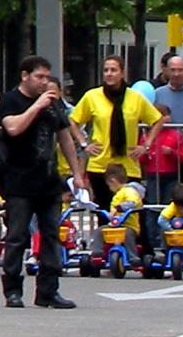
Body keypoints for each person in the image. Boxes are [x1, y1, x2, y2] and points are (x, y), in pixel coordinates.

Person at [0, 55, 85, 310]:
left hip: (48, 180)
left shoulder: (52, 102)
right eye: (39, 77)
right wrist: (36, 106)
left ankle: (48, 290)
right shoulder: (11, 100)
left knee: (51, 235)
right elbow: (13, 127)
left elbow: (64, 136)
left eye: (47, 77)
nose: (44, 82)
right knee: (17, 236)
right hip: (18, 180)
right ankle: (12, 290)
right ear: (25, 76)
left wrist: (76, 173)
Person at [68, 55, 165, 256]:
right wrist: (84, 143)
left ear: (123, 73)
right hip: (101, 164)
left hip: (127, 165)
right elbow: (73, 120)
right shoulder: (92, 96)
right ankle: (106, 253)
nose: (109, 74)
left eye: (114, 70)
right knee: (105, 211)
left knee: (134, 211)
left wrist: (146, 145)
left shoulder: (135, 98)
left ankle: (142, 253)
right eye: (106, 70)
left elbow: (157, 119)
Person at [138, 103, 183, 210]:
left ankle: (169, 226)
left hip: (171, 175)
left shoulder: (176, 135)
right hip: (152, 175)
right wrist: (145, 155)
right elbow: (141, 160)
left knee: (170, 204)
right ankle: (152, 226)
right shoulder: (146, 137)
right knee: (152, 205)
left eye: (163, 115)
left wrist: (172, 153)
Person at [92, 163, 145, 259]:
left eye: (109, 185)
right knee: (100, 231)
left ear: (113, 181)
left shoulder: (129, 191)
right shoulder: (118, 194)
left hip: (129, 225)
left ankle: (133, 257)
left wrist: (118, 208)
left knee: (127, 235)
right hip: (116, 224)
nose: (110, 188)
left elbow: (133, 203)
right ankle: (97, 253)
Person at [154, 55, 183, 125]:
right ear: (167, 71)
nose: (176, 74)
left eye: (180, 70)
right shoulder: (157, 94)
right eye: (173, 70)